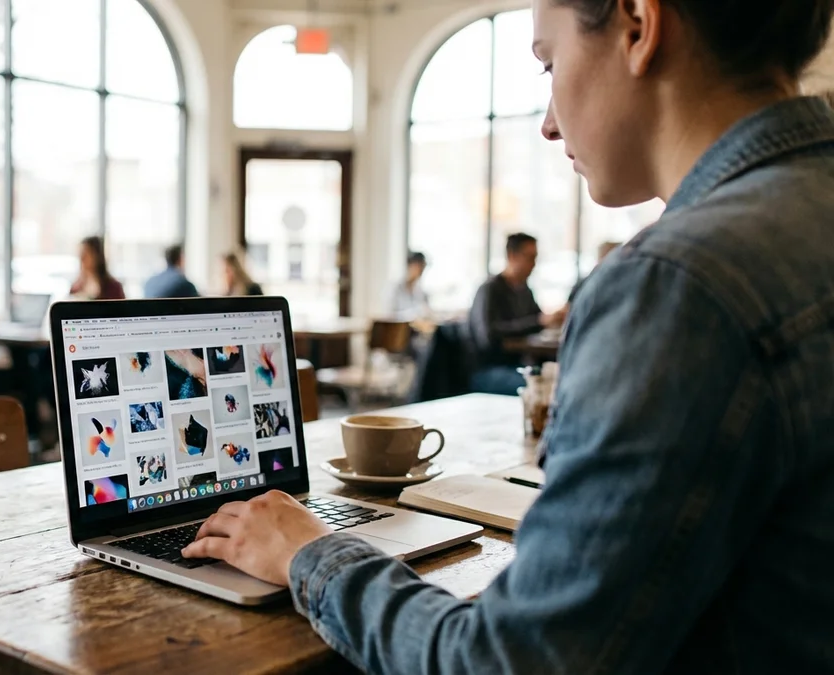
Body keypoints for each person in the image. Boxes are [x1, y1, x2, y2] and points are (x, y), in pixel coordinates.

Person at [183, 1, 834, 672]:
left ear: (639, 25)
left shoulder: (679, 285)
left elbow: (510, 661)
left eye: (549, 62)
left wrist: (308, 552)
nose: (549, 123)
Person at [466, 233, 565, 395]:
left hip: (519, 365)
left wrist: (552, 319)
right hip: (488, 369)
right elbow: (488, 335)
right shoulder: (490, 289)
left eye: (535, 258)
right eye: (529, 257)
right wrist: (540, 322)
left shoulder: (525, 290)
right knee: (542, 389)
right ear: (511, 256)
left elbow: (537, 320)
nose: (533, 264)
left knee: (557, 381)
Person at [70, 236, 125, 300]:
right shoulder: (76, 287)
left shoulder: (113, 288)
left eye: (86, 253)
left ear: (97, 256)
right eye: (81, 254)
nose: (82, 258)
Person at [391, 251, 433, 319]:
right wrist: (417, 313)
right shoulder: (395, 288)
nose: (421, 271)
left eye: (422, 268)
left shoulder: (421, 292)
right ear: (410, 265)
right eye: (418, 267)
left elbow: (427, 311)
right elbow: (391, 315)